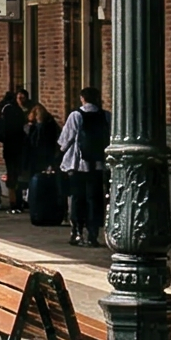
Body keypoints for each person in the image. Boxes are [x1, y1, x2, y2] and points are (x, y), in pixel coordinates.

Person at [57, 87, 109, 246]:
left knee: (78, 198)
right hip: (99, 164)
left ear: (82, 98)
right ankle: (93, 234)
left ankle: (77, 232)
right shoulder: (106, 115)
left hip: (78, 164)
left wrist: (60, 153)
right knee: (94, 199)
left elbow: (65, 140)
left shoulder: (76, 115)